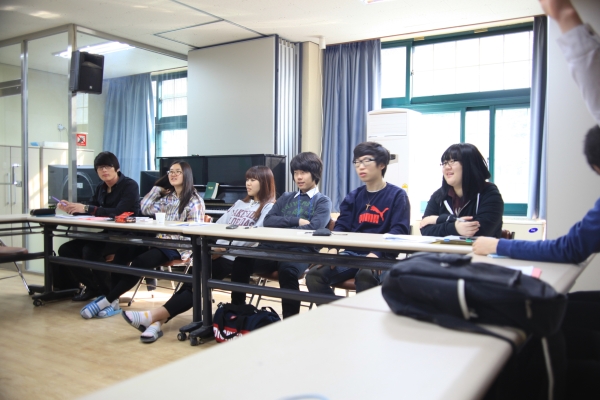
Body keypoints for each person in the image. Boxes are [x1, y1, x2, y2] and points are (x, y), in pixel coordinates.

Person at [119, 166, 277, 343]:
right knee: (191, 283)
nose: (248, 183)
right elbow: (218, 226)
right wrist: (213, 244)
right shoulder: (240, 203)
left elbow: (255, 235)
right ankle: (156, 321)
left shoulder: (269, 207)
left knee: (196, 285)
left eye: (253, 180)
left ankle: (153, 317)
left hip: (234, 256)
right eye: (247, 179)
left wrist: (223, 249)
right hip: (217, 252)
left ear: (264, 182)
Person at [79, 161, 205, 337]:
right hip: (160, 241)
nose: (173, 174)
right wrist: (156, 189)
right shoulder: (168, 197)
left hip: (179, 246)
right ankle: (114, 301)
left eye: (178, 172)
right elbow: (144, 208)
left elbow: (195, 230)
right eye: (171, 171)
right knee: (124, 251)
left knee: (141, 261)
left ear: (187, 176)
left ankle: (106, 301)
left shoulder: (194, 200)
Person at [230, 152, 332, 319]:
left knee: (288, 272)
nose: (298, 177)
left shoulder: (322, 201)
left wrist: (283, 226)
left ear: (314, 174)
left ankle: (289, 322)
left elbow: (314, 228)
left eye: (303, 173)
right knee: (241, 261)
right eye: (296, 173)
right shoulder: (286, 197)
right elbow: (268, 220)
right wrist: (296, 221)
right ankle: (236, 313)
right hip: (271, 249)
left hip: (300, 251)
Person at [306, 142, 410, 294]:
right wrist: (333, 248)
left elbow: (399, 230)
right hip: (351, 254)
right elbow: (342, 226)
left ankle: (363, 311)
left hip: (382, 256)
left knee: (365, 277)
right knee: (314, 275)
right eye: (357, 162)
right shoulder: (353, 196)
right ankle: (337, 310)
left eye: (366, 161)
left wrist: (377, 253)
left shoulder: (397, 195)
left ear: (382, 164)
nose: (360, 167)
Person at [54, 151, 140, 301]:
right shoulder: (101, 187)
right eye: (100, 168)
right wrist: (72, 209)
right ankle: (93, 287)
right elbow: (91, 209)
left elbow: (119, 212)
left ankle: (108, 295)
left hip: (126, 234)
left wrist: (87, 208)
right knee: (66, 249)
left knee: (90, 250)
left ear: (117, 168)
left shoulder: (130, 185)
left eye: (108, 166)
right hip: (107, 233)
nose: (104, 170)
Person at [419, 143, 504, 239]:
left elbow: (481, 230)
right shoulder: (439, 195)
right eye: (444, 163)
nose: (447, 167)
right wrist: (455, 228)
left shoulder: (489, 193)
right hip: (444, 249)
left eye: (452, 161)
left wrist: (438, 219)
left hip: (478, 249)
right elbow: (425, 229)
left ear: (469, 164)